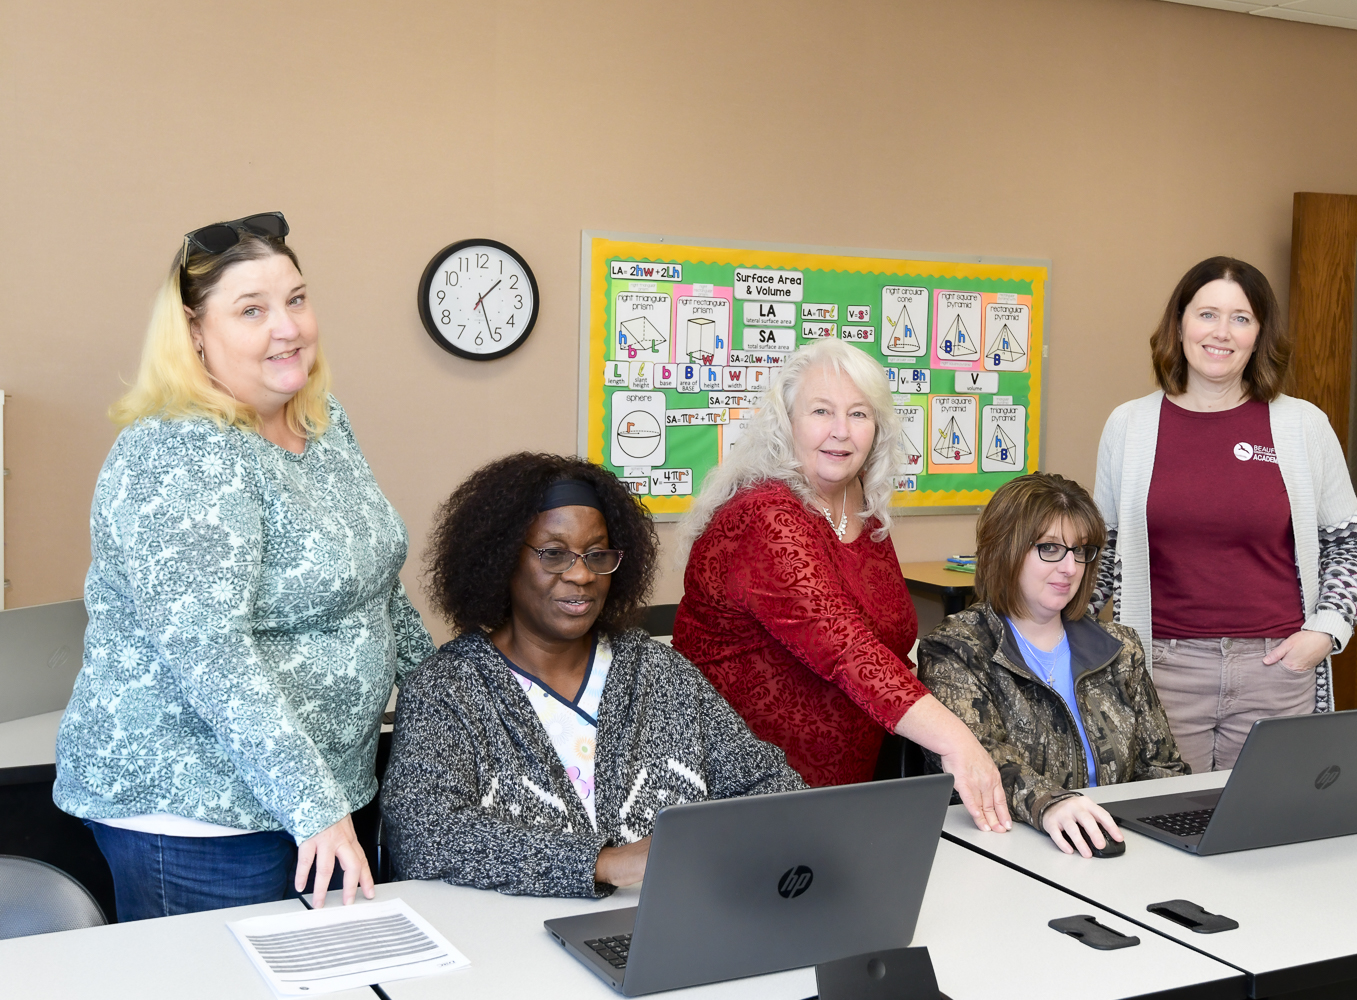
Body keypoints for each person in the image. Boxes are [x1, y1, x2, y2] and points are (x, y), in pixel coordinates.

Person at [52, 212, 434, 919]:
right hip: (201, 814)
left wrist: (454, 703)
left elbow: (377, 585)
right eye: (251, 310)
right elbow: (209, 652)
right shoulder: (179, 450)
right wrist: (316, 808)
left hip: (319, 795)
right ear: (194, 332)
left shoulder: (323, 424)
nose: (287, 327)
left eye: (295, 299)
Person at [380, 455, 805, 897]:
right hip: (509, 946)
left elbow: (770, 785)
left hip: (669, 926)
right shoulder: (447, 687)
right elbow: (424, 833)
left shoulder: (657, 671)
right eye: (554, 554)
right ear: (502, 560)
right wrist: (601, 862)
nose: (581, 574)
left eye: (596, 554)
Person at [674, 340, 1009, 833]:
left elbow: (890, 644)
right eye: (821, 411)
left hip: (846, 797)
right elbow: (850, 651)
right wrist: (958, 741)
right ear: (785, 422)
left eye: (859, 414)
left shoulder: (859, 506)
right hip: (744, 799)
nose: (840, 431)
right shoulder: (764, 515)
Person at [1093, 256, 1357, 772]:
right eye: (1207, 315)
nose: (1222, 332)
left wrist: (1326, 631)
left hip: (1278, 669)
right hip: (1162, 670)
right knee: (1169, 826)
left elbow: (1351, 542)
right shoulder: (1129, 426)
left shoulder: (1303, 425)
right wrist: (1068, 639)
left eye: (1241, 318)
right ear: (1179, 325)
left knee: (1273, 828)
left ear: (1259, 334)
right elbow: (1101, 551)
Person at [919, 473, 1188, 856]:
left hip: (1116, 846)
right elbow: (983, 760)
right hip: (1008, 849)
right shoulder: (957, 649)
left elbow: (1163, 768)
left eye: (1080, 550)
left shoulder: (1119, 648)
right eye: (1050, 549)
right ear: (1005, 550)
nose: (1070, 567)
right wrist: (1052, 804)